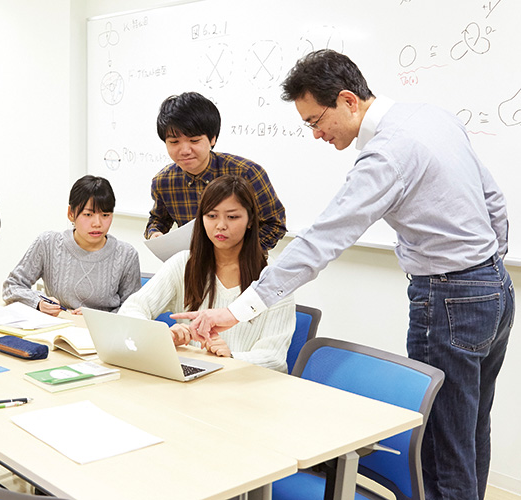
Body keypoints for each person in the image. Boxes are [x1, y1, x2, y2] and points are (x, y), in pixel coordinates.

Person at [174, 50, 513, 500]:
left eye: (316, 120)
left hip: (448, 296)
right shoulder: (431, 117)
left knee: (441, 445)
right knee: (469, 428)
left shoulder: (386, 156)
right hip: (494, 289)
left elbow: (321, 242)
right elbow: (494, 200)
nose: (316, 134)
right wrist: (485, 268)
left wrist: (238, 311)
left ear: (349, 101)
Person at [124, 175, 295, 371]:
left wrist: (231, 356)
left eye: (232, 217)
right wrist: (161, 335)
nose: (220, 225)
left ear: (250, 221)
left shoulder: (273, 279)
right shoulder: (184, 263)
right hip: (189, 378)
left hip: (243, 385)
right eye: (211, 216)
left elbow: (274, 358)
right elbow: (132, 308)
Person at [145, 91, 287, 251]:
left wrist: (238, 255)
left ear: (213, 139)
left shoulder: (247, 173)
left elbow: (275, 223)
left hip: (243, 267)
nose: (184, 150)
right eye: (174, 142)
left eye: (194, 140)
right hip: (194, 267)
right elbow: (159, 219)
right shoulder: (163, 181)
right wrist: (155, 233)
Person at [3, 174, 140, 316]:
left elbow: (134, 309)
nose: (97, 223)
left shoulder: (126, 255)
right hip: (55, 329)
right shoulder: (48, 243)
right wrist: (37, 303)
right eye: (88, 215)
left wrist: (98, 317)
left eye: (105, 215)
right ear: (71, 214)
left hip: (101, 334)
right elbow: (12, 286)